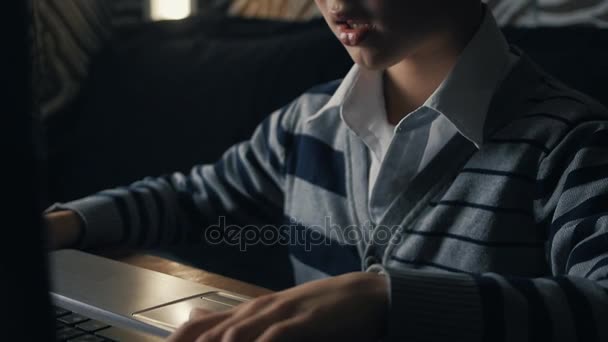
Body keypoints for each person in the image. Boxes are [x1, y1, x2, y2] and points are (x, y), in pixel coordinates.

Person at [47, 0, 608, 341]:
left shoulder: (571, 144)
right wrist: (63, 224)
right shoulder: (307, 124)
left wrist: (384, 302)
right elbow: (195, 197)